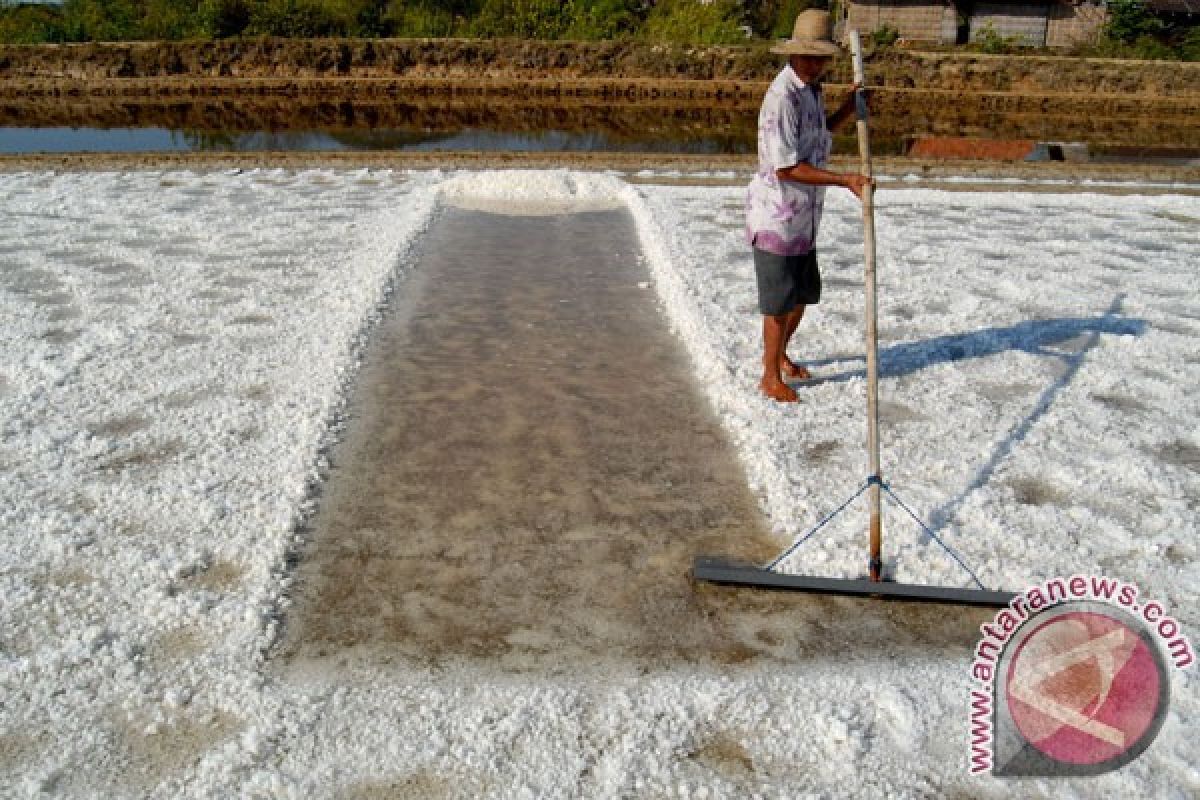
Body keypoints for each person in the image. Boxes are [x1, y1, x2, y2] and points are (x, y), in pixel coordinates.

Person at [745, 9, 869, 403]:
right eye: (809, 57)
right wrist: (844, 180)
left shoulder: (811, 90)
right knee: (779, 304)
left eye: (821, 58)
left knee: (803, 295)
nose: (815, 64)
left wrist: (847, 111)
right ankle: (768, 375)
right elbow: (785, 167)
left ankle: (780, 356)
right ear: (794, 55)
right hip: (778, 216)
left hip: (804, 217)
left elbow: (816, 137)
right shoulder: (782, 97)